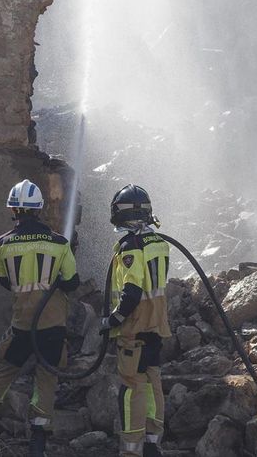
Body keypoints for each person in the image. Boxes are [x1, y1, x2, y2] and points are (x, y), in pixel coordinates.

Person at [0, 178, 78, 457]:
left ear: (13, 209)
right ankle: (38, 442)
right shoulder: (59, 243)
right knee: (46, 379)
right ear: (39, 208)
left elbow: (5, 281)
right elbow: (71, 283)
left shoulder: (2, 244)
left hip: (21, 324)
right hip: (52, 326)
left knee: (5, 370)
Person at [102, 184, 172, 457]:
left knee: (132, 388)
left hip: (134, 328)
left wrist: (113, 320)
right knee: (153, 385)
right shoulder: (159, 242)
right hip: (156, 326)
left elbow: (130, 292)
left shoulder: (130, 247)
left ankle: (131, 450)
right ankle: (153, 445)